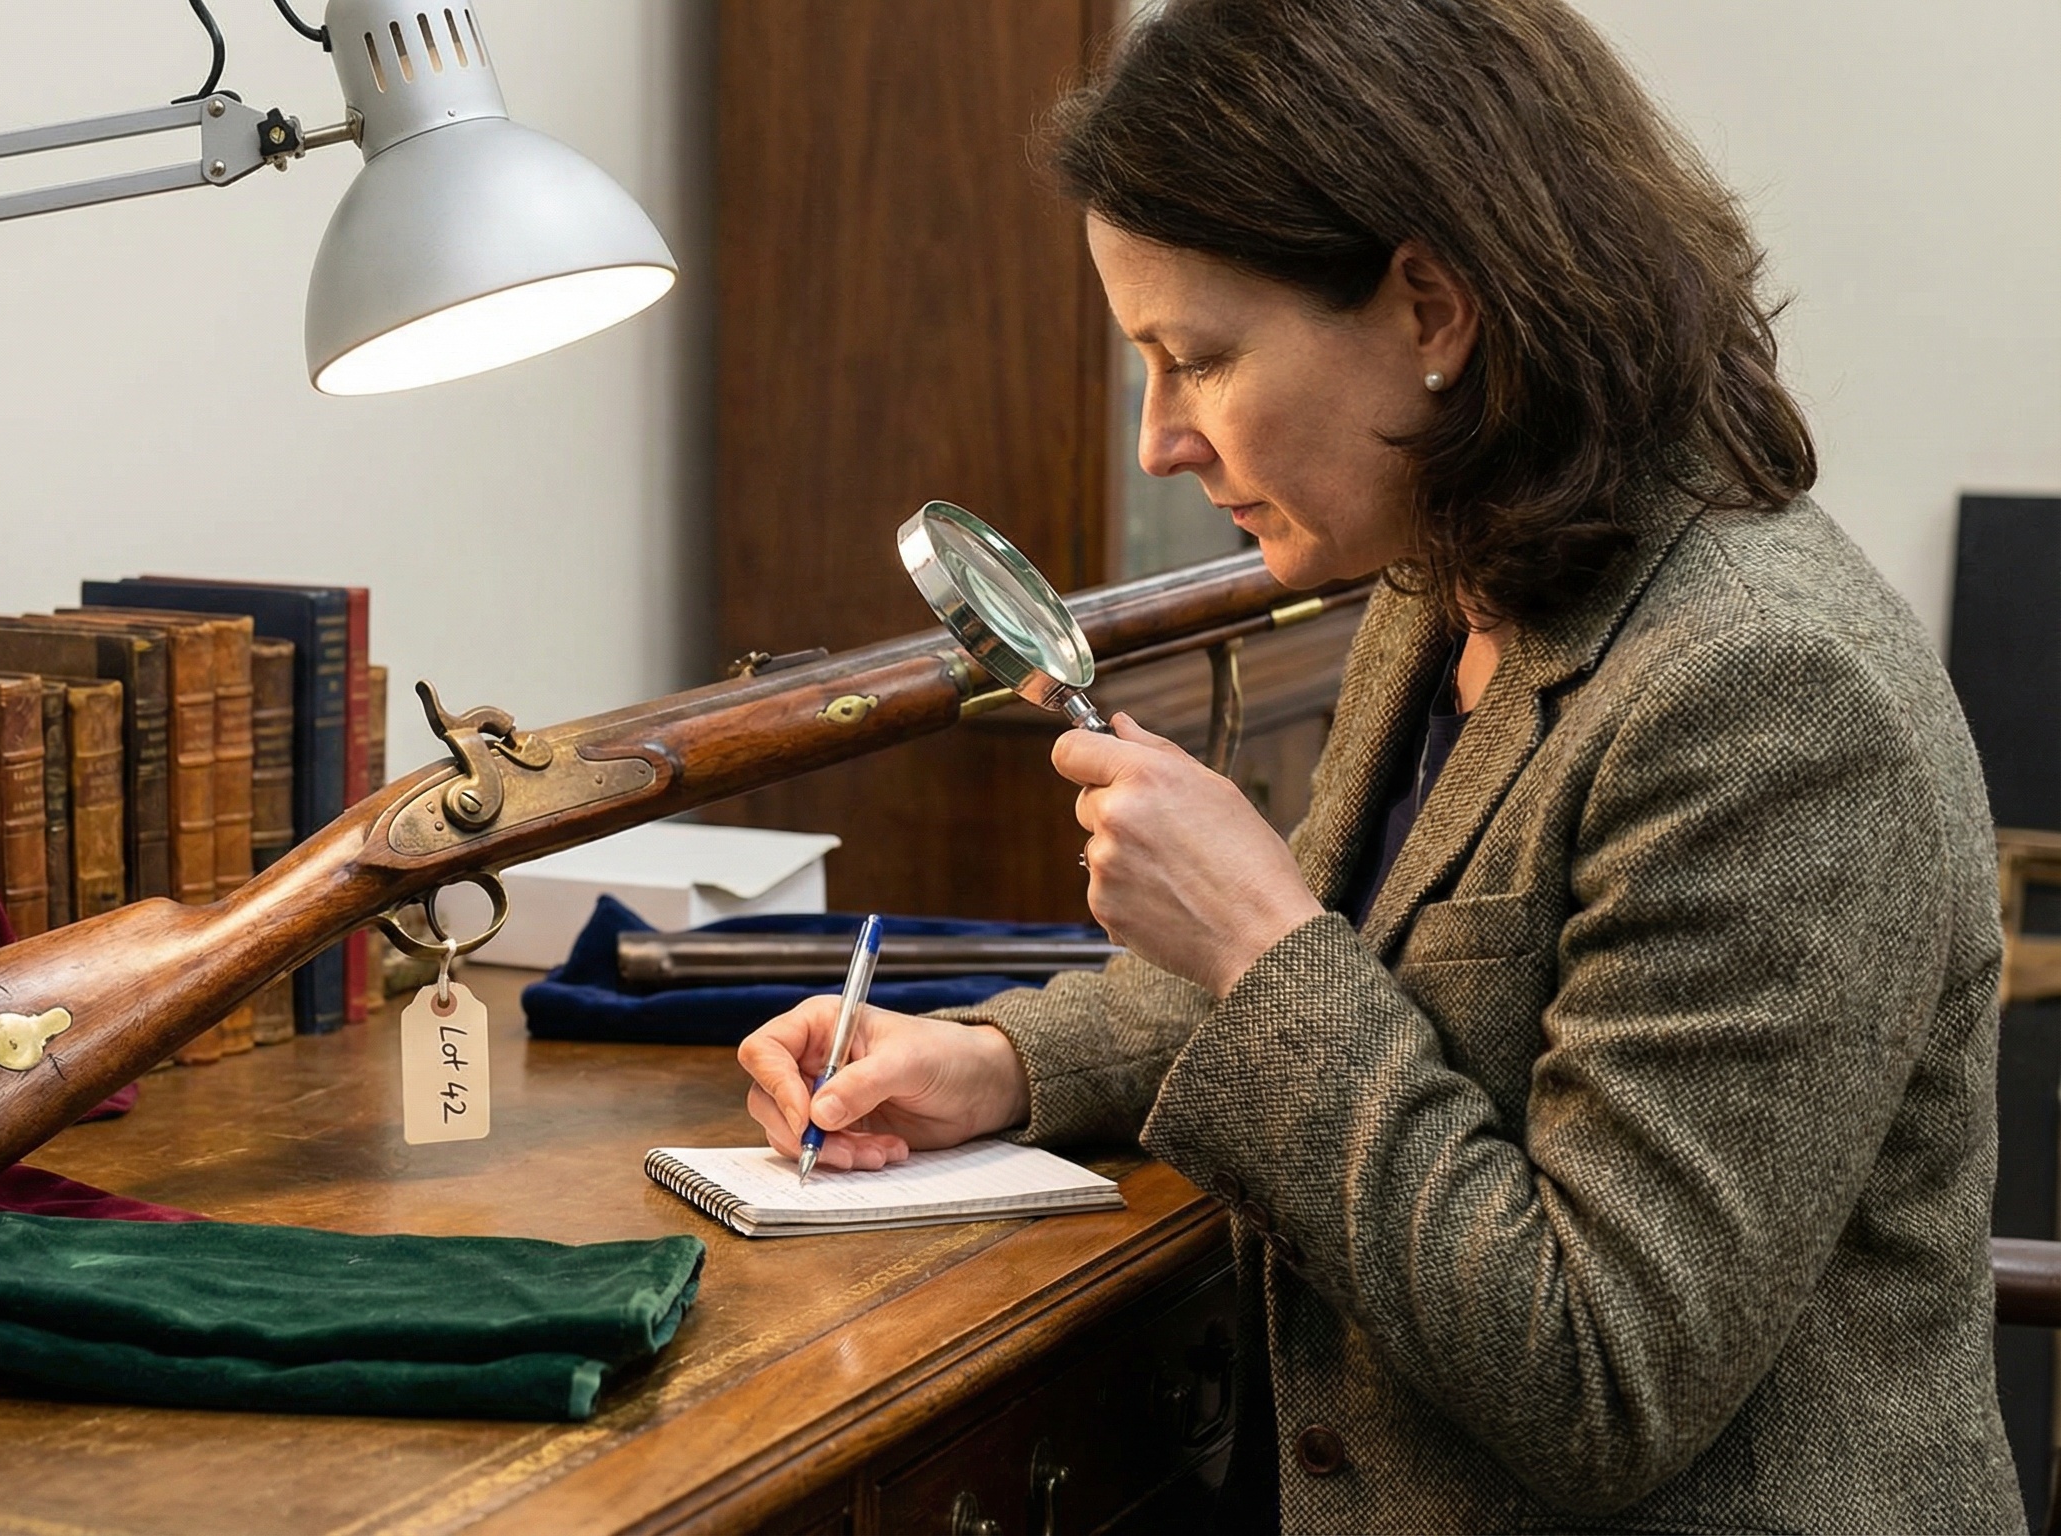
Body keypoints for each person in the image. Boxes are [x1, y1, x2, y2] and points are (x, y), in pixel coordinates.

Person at [733, 1, 2022, 1529]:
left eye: (1197, 359)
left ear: (1431, 309)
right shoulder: (1445, 581)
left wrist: (1256, 938)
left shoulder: (1769, 693)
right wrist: (1004, 1065)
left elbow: (1601, 1378)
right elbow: (1380, 977)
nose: (1159, 443)